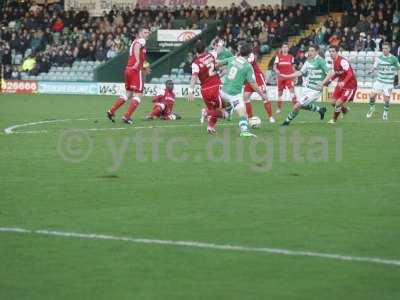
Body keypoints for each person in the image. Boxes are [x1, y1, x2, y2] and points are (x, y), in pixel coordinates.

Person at [218, 43, 269, 137]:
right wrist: (262, 95)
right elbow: (253, 84)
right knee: (244, 114)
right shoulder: (247, 66)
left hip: (223, 91)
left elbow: (218, 63)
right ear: (250, 54)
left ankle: (209, 112)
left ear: (240, 52)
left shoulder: (232, 59)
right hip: (233, 94)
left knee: (226, 113)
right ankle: (244, 131)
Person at [107, 27, 151, 124]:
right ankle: (127, 117)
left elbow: (141, 57)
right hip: (136, 70)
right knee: (138, 95)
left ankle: (111, 111)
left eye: (148, 32)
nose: (147, 34)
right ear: (140, 33)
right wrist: (138, 61)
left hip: (128, 69)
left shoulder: (137, 42)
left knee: (128, 94)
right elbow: (137, 49)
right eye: (145, 32)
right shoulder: (141, 40)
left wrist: (145, 66)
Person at [280, 45, 327, 126]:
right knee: (301, 105)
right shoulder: (308, 61)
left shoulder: (320, 61)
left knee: (297, 106)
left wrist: (323, 83)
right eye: (309, 51)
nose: (310, 52)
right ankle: (320, 110)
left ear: (316, 52)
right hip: (307, 88)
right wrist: (287, 76)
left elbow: (330, 73)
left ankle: (286, 122)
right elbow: (300, 72)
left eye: (312, 51)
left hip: (315, 90)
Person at [187, 40, 228, 134]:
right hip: (215, 87)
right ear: (205, 48)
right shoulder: (211, 55)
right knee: (225, 113)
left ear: (195, 50)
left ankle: (210, 127)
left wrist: (190, 90)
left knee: (214, 109)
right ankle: (206, 112)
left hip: (204, 90)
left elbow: (194, 76)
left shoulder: (195, 63)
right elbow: (219, 50)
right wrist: (221, 43)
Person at [322, 45, 358, 124]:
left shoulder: (342, 61)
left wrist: (344, 82)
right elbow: (337, 73)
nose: (331, 53)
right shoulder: (333, 61)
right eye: (330, 52)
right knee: (333, 102)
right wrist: (330, 80)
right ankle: (345, 110)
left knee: (338, 103)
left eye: (333, 51)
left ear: (337, 52)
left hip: (350, 85)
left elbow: (350, 73)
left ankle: (334, 120)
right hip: (341, 82)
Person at [366, 42, 400, 120]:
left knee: (386, 99)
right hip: (379, 81)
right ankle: (372, 108)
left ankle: (385, 113)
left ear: (389, 49)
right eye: (383, 48)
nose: (384, 50)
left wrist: (399, 81)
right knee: (372, 96)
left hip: (388, 83)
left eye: (386, 48)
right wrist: (371, 71)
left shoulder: (394, 59)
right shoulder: (379, 58)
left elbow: (398, 69)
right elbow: (374, 66)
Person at [243, 50, 275, 123]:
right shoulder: (240, 56)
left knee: (264, 96)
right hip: (249, 78)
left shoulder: (250, 55)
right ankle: (250, 117)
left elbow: (247, 64)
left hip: (258, 77)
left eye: (239, 47)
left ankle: (270, 116)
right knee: (245, 97)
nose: (238, 49)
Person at [274, 43, 297, 113]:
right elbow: (274, 67)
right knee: (280, 94)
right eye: (283, 47)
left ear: (288, 48)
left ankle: (295, 106)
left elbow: (293, 67)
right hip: (281, 78)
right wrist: (276, 70)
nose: (285, 48)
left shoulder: (291, 57)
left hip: (289, 77)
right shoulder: (278, 56)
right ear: (282, 48)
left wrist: (295, 75)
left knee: (292, 92)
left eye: (286, 47)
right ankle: (279, 108)